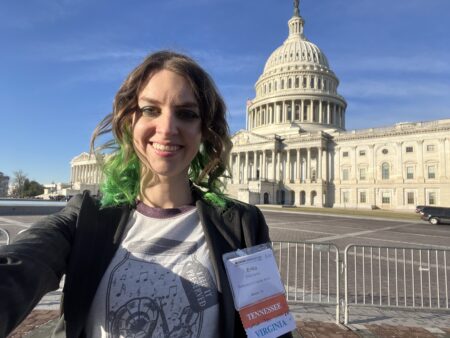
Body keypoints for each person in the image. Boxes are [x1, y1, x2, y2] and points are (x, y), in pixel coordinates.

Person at [0, 51, 293, 338]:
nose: (167, 129)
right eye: (151, 110)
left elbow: (270, 329)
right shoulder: (86, 218)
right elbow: (20, 266)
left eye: (187, 114)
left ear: (204, 131)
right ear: (130, 121)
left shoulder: (241, 226)